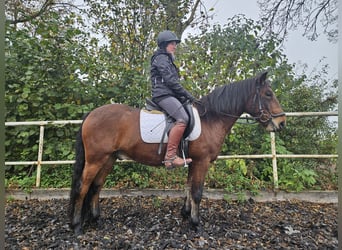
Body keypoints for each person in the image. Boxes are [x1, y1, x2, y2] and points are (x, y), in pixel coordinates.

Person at [150, 30, 196, 169]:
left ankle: (181, 150)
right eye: (172, 43)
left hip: (169, 94)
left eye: (175, 43)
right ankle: (170, 157)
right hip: (163, 95)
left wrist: (183, 95)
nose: (174, 46)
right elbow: (170, 81)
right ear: (164, 45)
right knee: (182, 118)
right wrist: (186, 94)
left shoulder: (167, 58)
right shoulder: (162, 59)